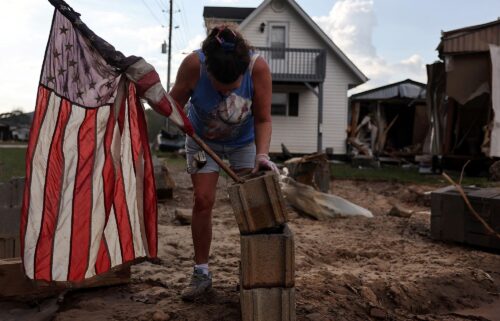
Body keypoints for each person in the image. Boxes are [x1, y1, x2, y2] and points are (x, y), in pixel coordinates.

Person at [168, 25, 278, 301]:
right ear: (209, 71)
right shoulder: (194, 65)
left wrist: (262, 155)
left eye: (234, 87)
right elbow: (172, 105)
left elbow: (263, 118)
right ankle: (201, 273)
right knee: (203, 200)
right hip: (202, 141)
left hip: (244, 143)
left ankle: (255, 270)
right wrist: (177, 120)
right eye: (221, 88)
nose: (228, 93)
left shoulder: (258, 68)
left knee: (254, 203)